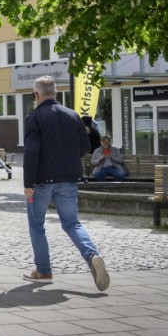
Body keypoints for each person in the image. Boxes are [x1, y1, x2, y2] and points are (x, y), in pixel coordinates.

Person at [23, 75, 110, 291]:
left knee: (37, 225)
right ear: (56, 93)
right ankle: (92, 256)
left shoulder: (34, 117)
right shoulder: (73, 116)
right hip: (69, 179)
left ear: (36, 94)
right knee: (72, 224)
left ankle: (43, 271)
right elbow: (85, 148)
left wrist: (28, 183)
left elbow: (32, 151)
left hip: (42, 181)